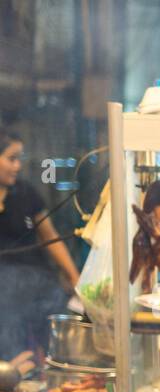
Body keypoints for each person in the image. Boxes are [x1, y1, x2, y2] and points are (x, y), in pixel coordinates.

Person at [0, 127, 80, 358]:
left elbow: (51, 238)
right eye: (11, 159)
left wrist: (74, 278)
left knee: (47, 351)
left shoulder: (26, 193)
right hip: (3, 295)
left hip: (35, 286)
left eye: (19, 159)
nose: (18, 166)